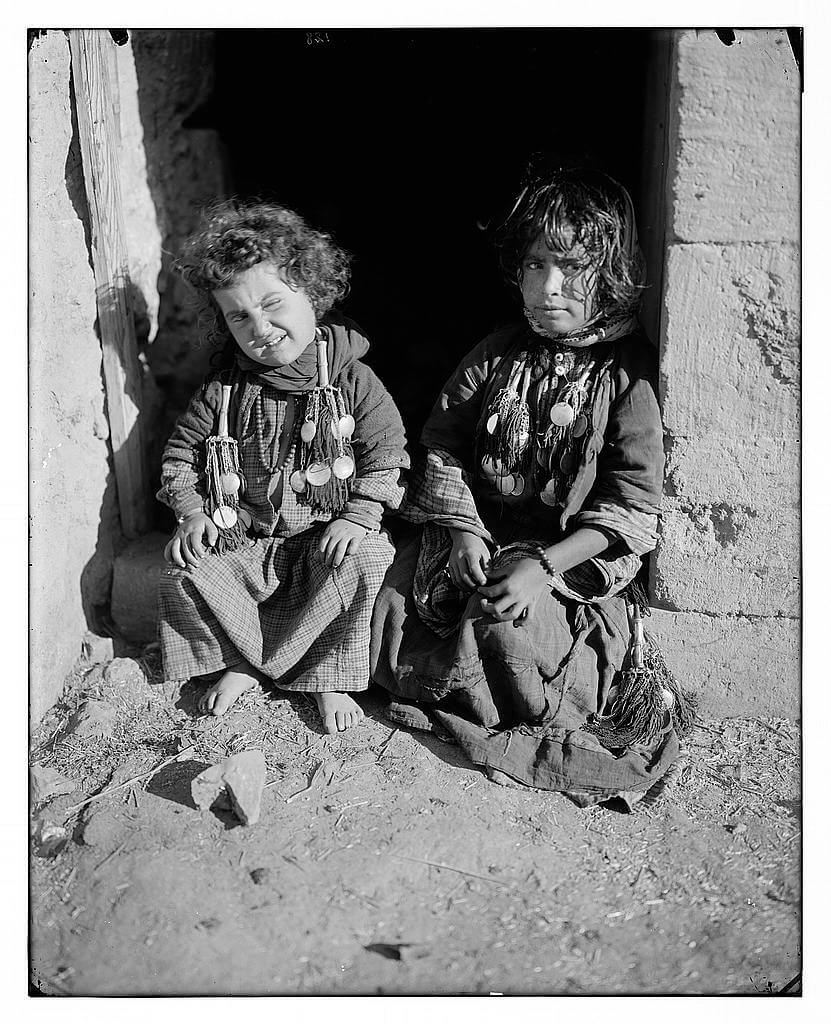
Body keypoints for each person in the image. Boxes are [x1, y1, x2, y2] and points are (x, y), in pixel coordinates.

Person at [371, 167, 693, 804]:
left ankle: (499, 697)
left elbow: (631, 501)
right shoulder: (497, 352)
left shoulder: (626, 376)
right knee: (388, 599)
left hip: (565, 559)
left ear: (611, 274)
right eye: (535, 264)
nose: (549, 288)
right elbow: (443, 443)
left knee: (506, 623)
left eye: (572, 267)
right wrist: (462, 532)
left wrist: (543, 569)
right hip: (481, 534)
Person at [158, 201, 408, 733]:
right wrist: (192, 513)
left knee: (367, 559)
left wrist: (357, 516)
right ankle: (241, 662)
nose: (260, 327)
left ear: (313, 294)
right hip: (247, 540)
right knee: (185, 566)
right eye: (239, 317)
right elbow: (180, 456)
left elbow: (388, 455)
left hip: (323, 541)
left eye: (272, 304)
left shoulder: (353, 379)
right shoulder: (224, 391)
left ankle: (327, 675)